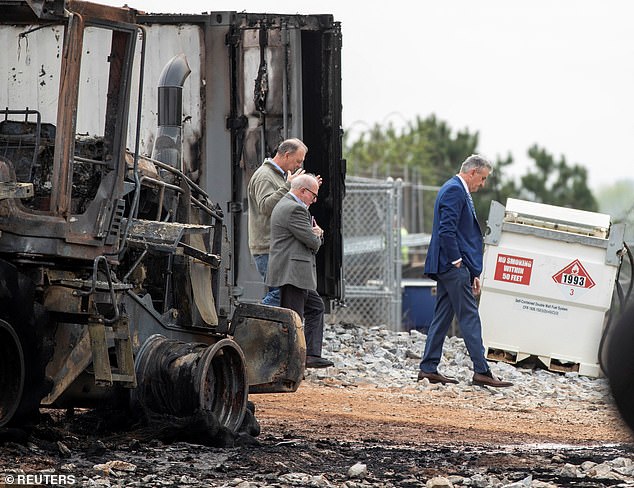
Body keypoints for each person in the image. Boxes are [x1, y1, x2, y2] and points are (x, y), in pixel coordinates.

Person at [418, 154, 513, 388]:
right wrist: (458, 262)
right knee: (470, 316)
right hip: (451, 266)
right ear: (472, 173)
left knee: (442, 317)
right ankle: (482, 370)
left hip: (450, 266)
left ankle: (428, 368)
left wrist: (470, 270)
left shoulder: (456, 189)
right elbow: (447, 229)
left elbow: (455, 231)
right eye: (482, 178)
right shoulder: (455, 190)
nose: (483, 184)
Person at [266, 173, 334, 369]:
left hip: (294, 272)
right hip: (292, 273)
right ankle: (292, 361)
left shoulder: (289, 205)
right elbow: (312, 241)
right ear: (303, 191)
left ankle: (311, 354)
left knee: (316, 307)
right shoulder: (295, 209)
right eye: (313, 195)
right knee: (293, 317)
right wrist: (319, 234)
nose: (315, 200)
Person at [248, 138, 308, 306]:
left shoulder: (278, 177)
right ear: (287, 155)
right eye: (298, 161)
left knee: (281, 293)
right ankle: (256, 321)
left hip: (275, 247)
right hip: (267, 247)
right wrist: (287, 187)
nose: (298, 166)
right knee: (279, 293)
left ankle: (269, 328)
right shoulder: (264, 177)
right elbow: (266, 207)